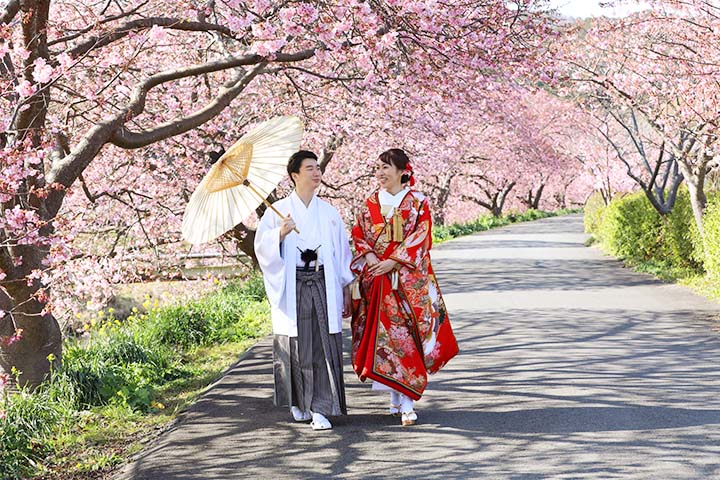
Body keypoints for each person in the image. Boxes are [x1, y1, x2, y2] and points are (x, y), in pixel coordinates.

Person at [350, 148, 459, 426]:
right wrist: (374, 259)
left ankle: (407, 401)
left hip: (406, 283)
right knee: (383, 339)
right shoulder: (370, 203)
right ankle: (396, 399)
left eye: (386, 167)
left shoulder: (418, 202)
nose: (380, 173)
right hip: (377, 280)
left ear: (402, 171)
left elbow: (421, 238)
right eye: (377, 168)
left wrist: (394, 263)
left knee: (404, 338)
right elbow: (359, 235)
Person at [254, 150, 354, 431]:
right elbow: (262, 248)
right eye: (309, 168)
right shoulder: (279, 211)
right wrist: (280, 234)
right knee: (297, 344)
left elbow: (341, 252)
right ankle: (298, 401)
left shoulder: (330, 213)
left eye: (317, 167)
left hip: (322, 281)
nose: (316, 172)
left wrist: (347, 285)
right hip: (293, 282)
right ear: (295, 175)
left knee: (321, 344)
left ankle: (319, 408)